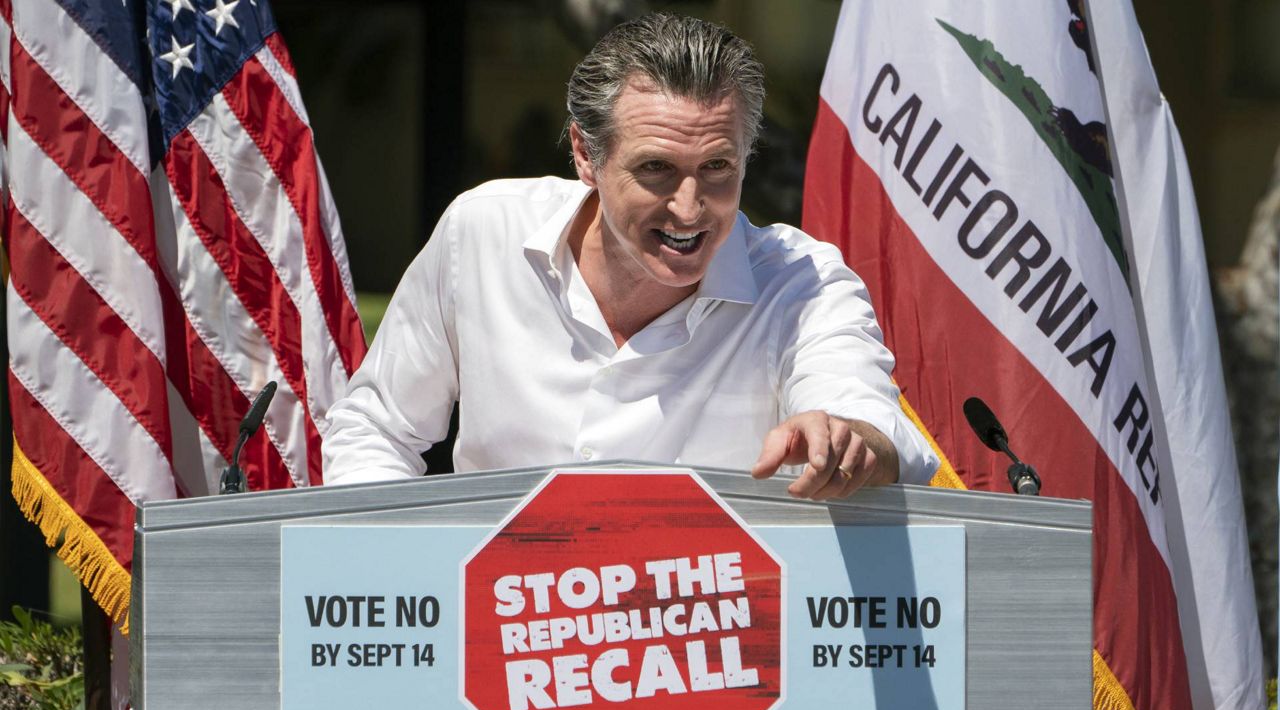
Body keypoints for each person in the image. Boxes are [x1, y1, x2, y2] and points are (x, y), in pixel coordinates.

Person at [322, 13, 939, 498]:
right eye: (657, 170)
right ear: (586, 156)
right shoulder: (481, 231)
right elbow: (376, 429)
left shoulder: (803, 282)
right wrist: (394, 580)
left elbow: (869, 423)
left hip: (711, 640)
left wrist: (847, 441)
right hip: (498, 633)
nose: (691, 207)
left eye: (718, 168)